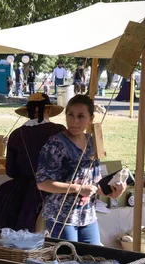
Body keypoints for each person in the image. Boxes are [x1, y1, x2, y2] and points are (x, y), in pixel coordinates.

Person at [0, 92, 66, 233]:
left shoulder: (17, 134)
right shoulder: (59, 131)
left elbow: (11, 171)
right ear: (48, 110)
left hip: (19, 190)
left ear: (28, 112)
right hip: (50, 188)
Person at [36, 94, 126, 243]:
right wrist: (78, 188)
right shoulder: (55, 144)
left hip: (87, 215)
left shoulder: (92, 142)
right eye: (70, 115)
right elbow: (42, 183)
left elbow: (94, 182)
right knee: (68, 260)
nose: (74, 121)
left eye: (80, 116)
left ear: (91, 118)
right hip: (61, 216)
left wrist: (111, 191)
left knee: (93, 257)